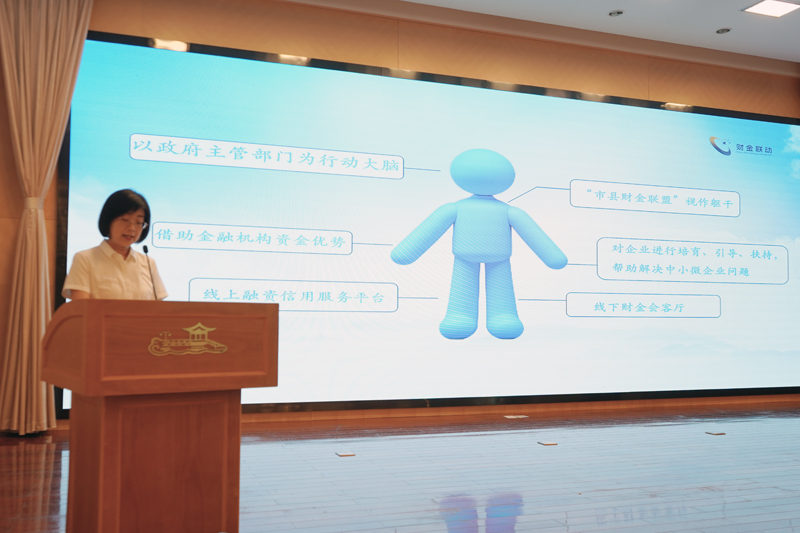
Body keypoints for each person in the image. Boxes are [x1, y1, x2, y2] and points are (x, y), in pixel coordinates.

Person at [62, 189, 168, 301]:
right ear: (108, 219)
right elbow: (80, 308)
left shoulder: (148, 263)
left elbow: (158, 308)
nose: (132, 228)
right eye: (125, 220)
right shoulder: (85, 259)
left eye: (138, 222)